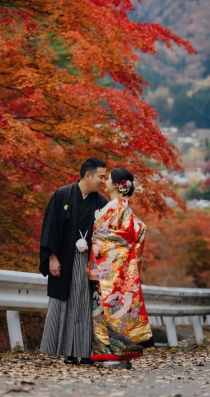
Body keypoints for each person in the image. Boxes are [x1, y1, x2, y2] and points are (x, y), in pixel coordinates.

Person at [39, 158, 108, 365]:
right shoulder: (62, 195)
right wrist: (52, 258)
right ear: (88, 175)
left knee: (86, 305)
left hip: (90, 263)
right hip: (65, 259)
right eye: (100, 177)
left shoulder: (102, 203)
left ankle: (86, 352)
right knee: (66, 304)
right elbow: (50, 227)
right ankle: (68, 352)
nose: (103, 181)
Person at [87, 168, 153, 369]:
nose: (105, 181)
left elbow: (129, 235)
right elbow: (138, 231)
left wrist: (96, 240)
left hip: (110, 268)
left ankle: (117, 355)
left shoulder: (120, 209)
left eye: (108, 179)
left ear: (117, 185)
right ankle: (110, 355)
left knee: (112, 310)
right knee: (108, 310)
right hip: (108, 268)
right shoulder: (114, 207)